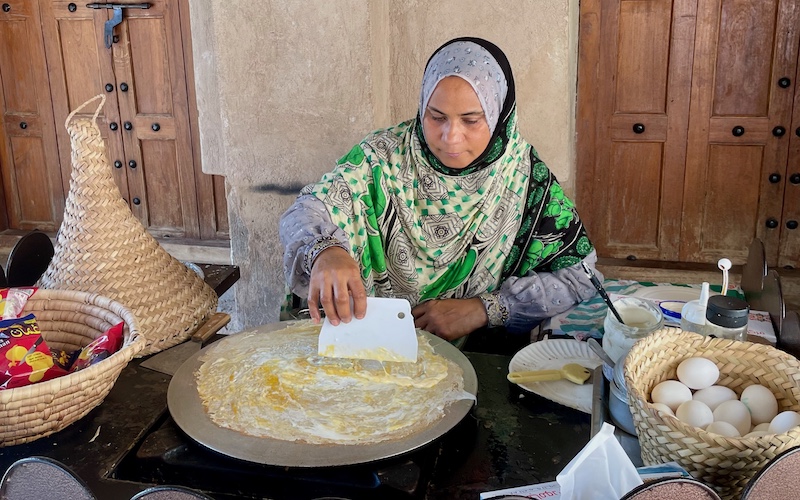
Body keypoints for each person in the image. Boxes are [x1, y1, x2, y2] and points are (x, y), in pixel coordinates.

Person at [280, 37, 601, 342]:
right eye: (436, 116)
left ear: (499, 115)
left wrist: (484, 309)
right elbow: (308, 209)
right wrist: (325, 251)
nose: (451, 137)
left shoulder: (526, 179)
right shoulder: (380, 159)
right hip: (364, 345)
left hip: (477, 357)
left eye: (471, 120)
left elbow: (580, 277)